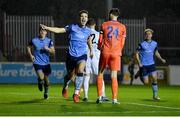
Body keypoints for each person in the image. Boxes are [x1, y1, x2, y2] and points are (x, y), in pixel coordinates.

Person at [40, 10, 93, 103]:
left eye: (85, 16)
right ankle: (65, 86)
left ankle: (76, 93)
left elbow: (89, 41)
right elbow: (59, 30)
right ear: (79, 18)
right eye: (82, 16)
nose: (84, 18)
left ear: (87, 19)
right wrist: (48, 28)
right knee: (70, 76)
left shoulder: (88, 31)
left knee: (80, 71)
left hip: (82, 55)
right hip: (71, 56)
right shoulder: (72, 27)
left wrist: (91, 50)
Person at [96, 8, 126, 104]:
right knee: (114, 76)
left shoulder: (104, 24)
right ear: (118, 15)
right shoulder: (122, 27)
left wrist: (99, 47)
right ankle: (114, 99)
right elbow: (122, 42)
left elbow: (100, 39)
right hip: (116, 53)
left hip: (105, 51)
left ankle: (100, 97)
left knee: (100, 73)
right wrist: (119, 51)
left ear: (110, 14)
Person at [82, 18, 109, 102]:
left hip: (86, 56)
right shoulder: (98, 34)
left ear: (87, 25)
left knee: (86, 76)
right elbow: (101, 45)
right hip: (95, 56)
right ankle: (103, 95)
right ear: (94, 25)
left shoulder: (84, 33)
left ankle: (86, 96)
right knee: (99, 75)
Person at [136, 28, 166, 100]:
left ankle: (155, 96)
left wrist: (161, 59)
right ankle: (140, 73)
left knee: (155, 79)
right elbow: (136, 54)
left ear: (151, 35)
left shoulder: (154, 43)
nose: (148, 35)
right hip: (144, 65)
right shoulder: (141, 44)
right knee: (146, 82)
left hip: (151, 64)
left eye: (149, 34)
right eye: (146, 34)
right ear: (145, 36)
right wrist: (139, 62)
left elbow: (156, 52)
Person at [27, 27, 55, 99]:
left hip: (46, 64)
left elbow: (53, 52)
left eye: (44, 31)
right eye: (41, 30)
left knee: (47, 82)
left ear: (46, 32)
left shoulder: (49, 41)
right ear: (39, 32)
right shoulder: (34, 40)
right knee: (41, 77)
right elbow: (28, 47)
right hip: (37, 62)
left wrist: (48, 49)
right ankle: (39, 81)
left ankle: (46, 93)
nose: (42, 32)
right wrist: (31, 55)